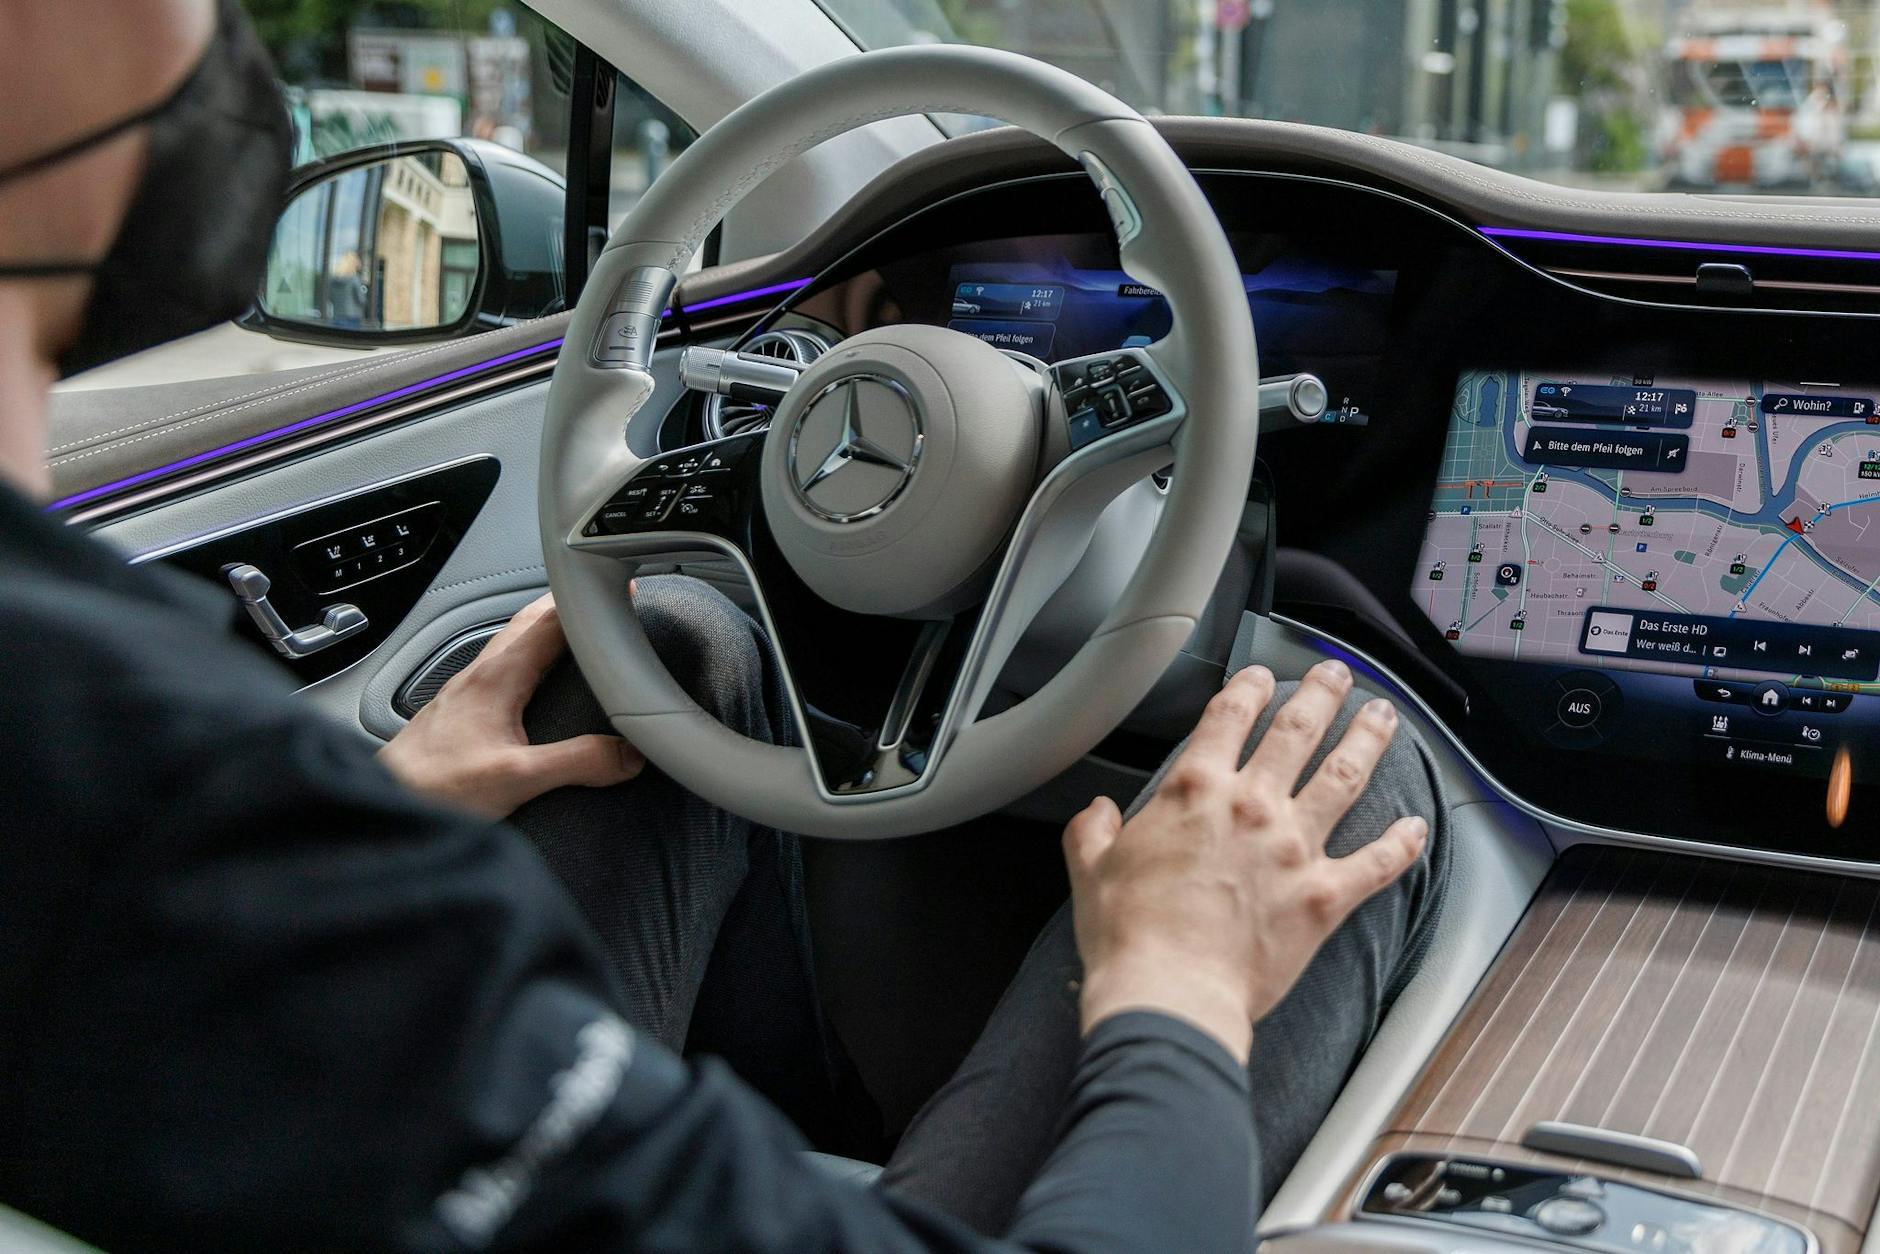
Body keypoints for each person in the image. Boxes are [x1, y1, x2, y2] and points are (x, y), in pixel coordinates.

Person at [0, 2, 1446, 1251]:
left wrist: (347, 840)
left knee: (675, 639)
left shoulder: (109, 784)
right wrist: (1181, 987)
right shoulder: (125, 799)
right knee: (1336, 766)